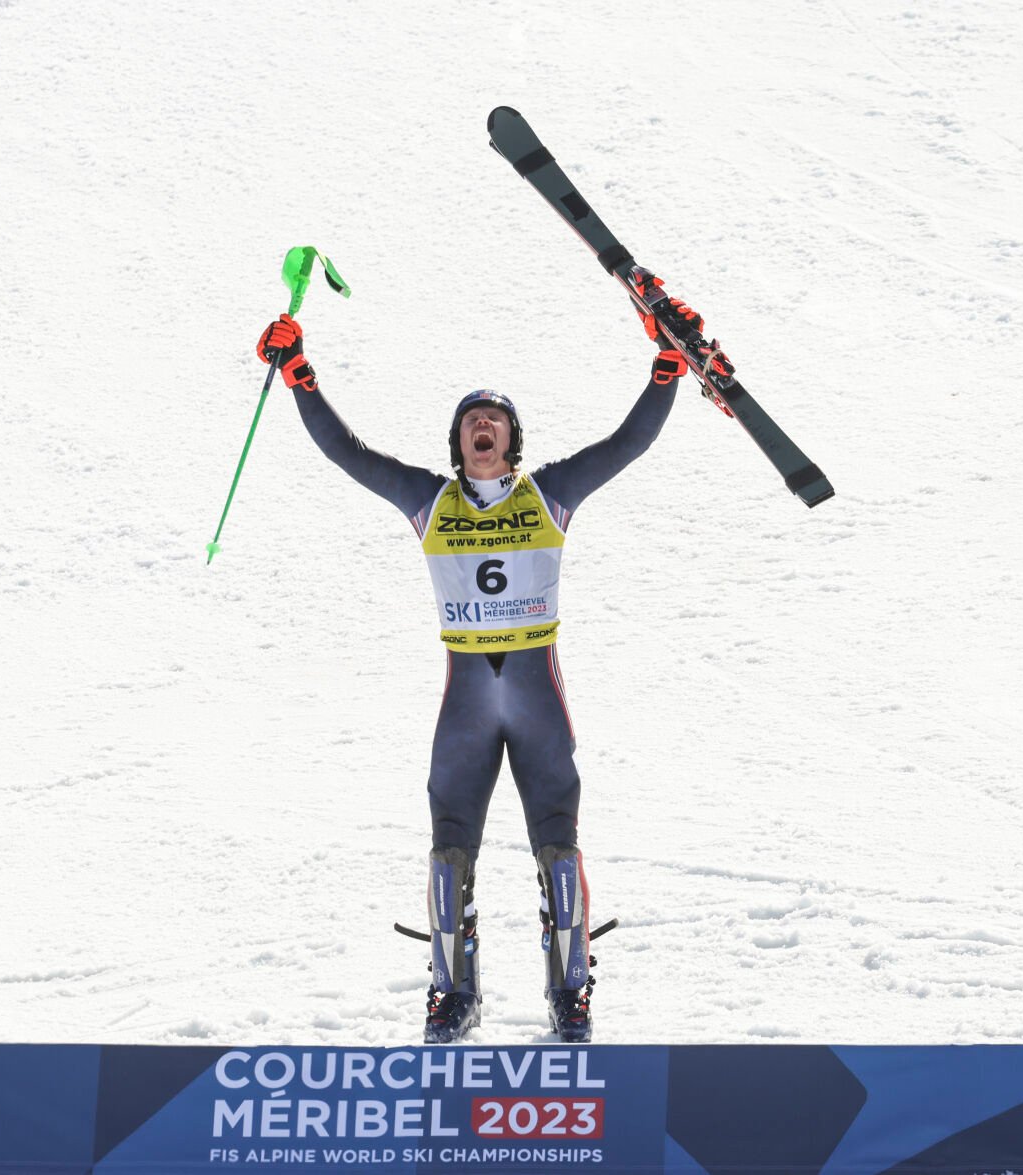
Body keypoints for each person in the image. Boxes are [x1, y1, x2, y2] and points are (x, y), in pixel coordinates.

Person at [257, 276, 715, 1043]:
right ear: (457, 441)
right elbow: (347, 453)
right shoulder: (427, 500)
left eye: (494, 420)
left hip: (532, 684)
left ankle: (571, 992)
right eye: (471, 420)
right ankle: (451, 993)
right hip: (469, 693)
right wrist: (300, 375)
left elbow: (626, 444)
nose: (482, 426)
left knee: (558, 847)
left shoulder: (550, 492)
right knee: (447, 852)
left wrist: (665, 372)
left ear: (510, 440)